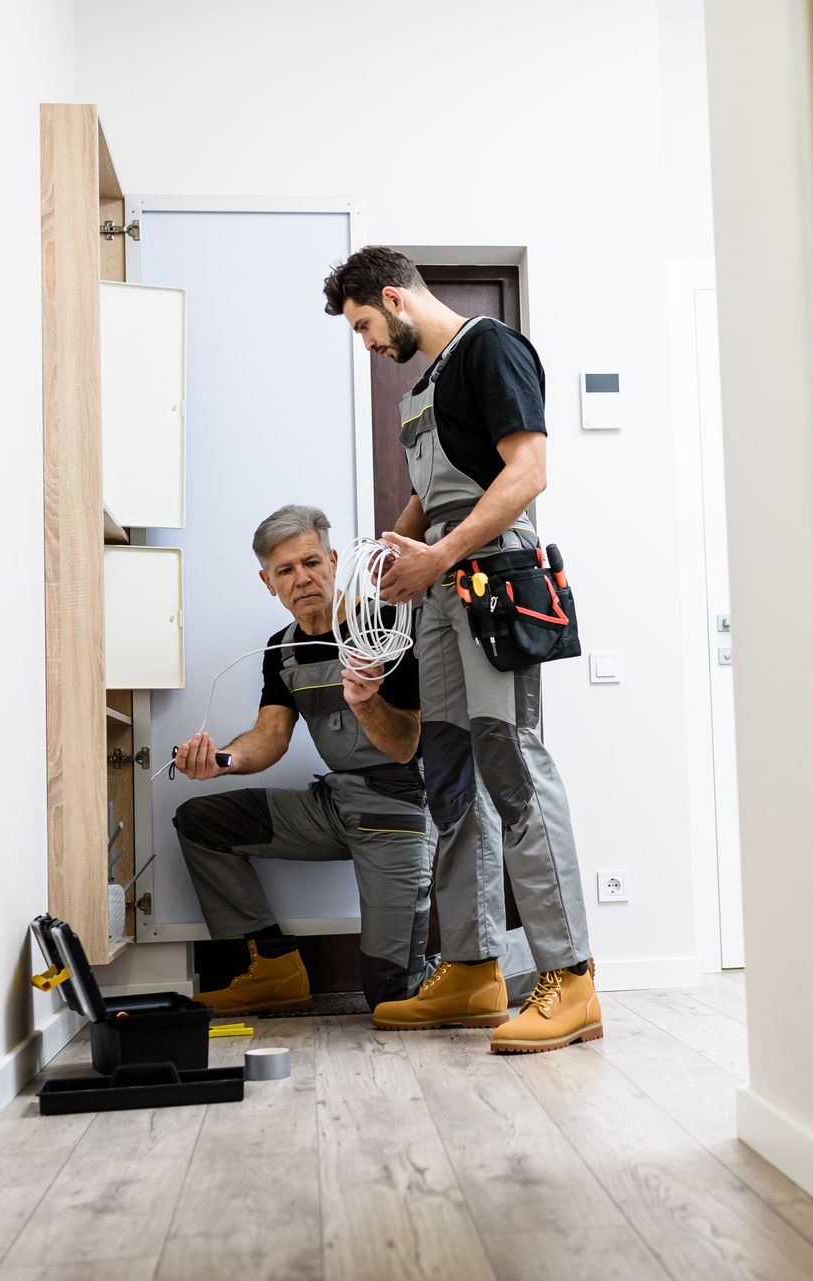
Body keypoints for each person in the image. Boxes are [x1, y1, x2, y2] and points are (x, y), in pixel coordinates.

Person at [322, 246, 600, 1054]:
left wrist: (439, 556)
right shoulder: (422, 390)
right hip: (440, 586)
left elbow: (527, 472)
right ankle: (473, 966)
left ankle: (572, 977)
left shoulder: (491, 349)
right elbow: (426, 496)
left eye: (366, 327)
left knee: (510, 762)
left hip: (491, 576)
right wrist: (383, 560)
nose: (368, 344)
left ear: (394, 300)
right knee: (448, 771)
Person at [172, 503, 433, 1014]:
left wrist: (367, 700)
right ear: (268, 582)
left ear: (334, 561)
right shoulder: (281, 651)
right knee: (201, 822)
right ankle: (274, 969)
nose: (302, 578)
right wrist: (219, 760)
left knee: (392, 996)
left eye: (311, 562)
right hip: (334, 806)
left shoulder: (388, 626)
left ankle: (502, 962)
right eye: (285, 570)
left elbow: (406, 744)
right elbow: (270, 736)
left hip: (398, 811)